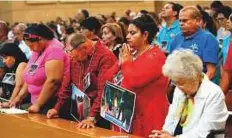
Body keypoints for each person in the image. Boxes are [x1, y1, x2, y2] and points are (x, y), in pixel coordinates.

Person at [104, 14, 169, 137]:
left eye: (133, 33)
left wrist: (126, 62)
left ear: (145, 35)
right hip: (127, 114)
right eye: (128, 32)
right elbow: (107, 78)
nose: (127, 36)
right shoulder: (130, 53)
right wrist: (119, 63)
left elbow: (135, 81)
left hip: (148, 114)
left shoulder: (156, 56)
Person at [149, 49, 228, 138]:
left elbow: (204, 133)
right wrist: (164, 133)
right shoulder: (180, 89)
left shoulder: (214, 94)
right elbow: (171, 118)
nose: (178, 87)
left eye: (181, 83)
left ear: (196, 76)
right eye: (176, 83)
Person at [47, 33, 117, 129]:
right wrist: (57, 108)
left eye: (72, 53)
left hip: (100, 116)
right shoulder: (74, 56)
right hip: (80, 112)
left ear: (84, 47)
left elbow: (104, 92)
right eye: (67, 52)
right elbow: (66, 84)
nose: (71, 57)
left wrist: (91, 117)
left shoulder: (105, 57)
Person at [4, 24, 70, 114]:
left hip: (51, 104)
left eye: (31, 46)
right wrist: (18, 98)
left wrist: (38, 104)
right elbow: (30, 76)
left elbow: (53, 81)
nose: (30, 50)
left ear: (40, 39)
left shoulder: (54, 49)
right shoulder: (38, 49)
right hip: (37, 102)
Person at [170, 6, 219, 80]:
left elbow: (211, 71)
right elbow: (171, 66)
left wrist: (196, 88)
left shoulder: (208, 39)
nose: (181, 24)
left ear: (197, 21)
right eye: (180, 21)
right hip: (177, 83)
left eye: (185, 20)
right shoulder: (177, 38)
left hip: (199, 84)